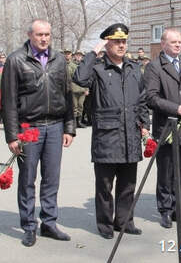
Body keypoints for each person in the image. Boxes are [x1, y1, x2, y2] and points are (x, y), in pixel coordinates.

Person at [1, 19, 75, 247]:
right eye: (39, 34)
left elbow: (67, 95)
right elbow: (9, 101)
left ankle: (49, 223)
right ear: (30, 35)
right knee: (28, 178)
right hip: (28, 127)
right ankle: (29, 226)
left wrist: (69, 127)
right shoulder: (16, 60)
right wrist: (12, 136)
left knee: (51, 178)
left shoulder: (59, 59)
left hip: (54, 126)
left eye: (47, 35)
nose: (44, 39)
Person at [74, 23, 150, 239]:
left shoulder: (134, 67)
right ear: (107, 43)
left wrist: (145, 125)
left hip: (131, 134)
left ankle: (125, 222)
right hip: (107, 136)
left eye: (124, 41)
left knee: (128, 185)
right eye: (116, 41)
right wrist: (92, 52)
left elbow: (142, 99)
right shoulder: (98, 68)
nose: (121, 45)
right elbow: (79, 78)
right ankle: (105, 225)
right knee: (105, 186)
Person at [144, 28, 181, 229]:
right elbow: (151, 97)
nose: (178, 45)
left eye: (180, 41)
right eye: (174, 42)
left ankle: (180, 210)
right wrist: (176, 108)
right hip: (166, 127)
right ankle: (165, 211)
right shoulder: (154, 67)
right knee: (166, 172)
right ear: (163, 44)